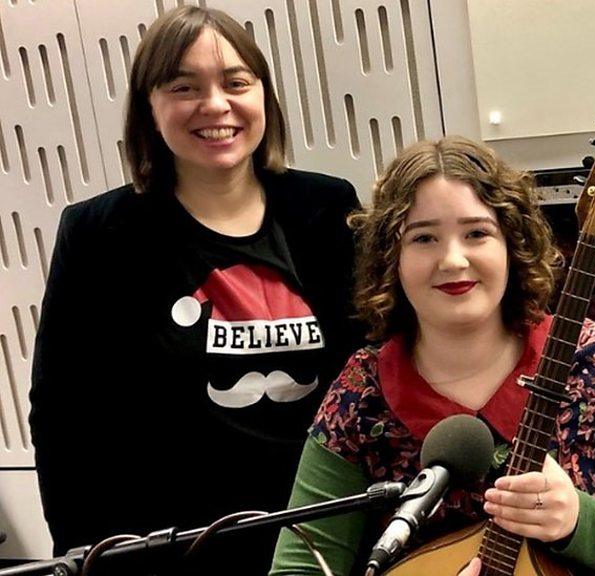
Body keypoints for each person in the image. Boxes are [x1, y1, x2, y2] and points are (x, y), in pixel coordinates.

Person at [28, 6, 363, 574]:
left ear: (263, 97)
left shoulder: (327, 208)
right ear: (149, 108)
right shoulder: (99, 233)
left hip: (322, 534)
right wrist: (86, 554)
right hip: (175, 547)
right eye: (184, 86)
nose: (216, 105)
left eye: (236, 83)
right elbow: (62, 415)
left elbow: (376, 370)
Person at [270, 136, 595, 575]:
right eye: (424, 238)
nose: (453, 260)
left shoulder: (589, 360)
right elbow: (298, 569)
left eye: (476, 233)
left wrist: (579, 521)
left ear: (513, 243)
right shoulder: (362, 394)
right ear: (390, 258)